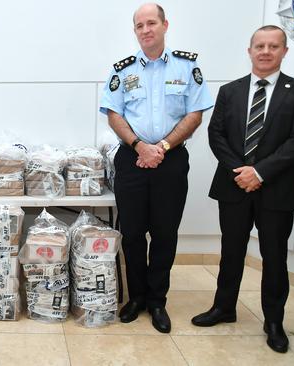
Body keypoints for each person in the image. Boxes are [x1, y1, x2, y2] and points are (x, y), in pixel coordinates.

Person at [192, 25, 294, 353]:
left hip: (277, 189)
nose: (265, 51)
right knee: (231, 251)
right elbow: (216, 134)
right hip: (234, 186)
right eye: (259, 45)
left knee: (274, 257)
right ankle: (224, 308)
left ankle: (273, 322)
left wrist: (259, 172)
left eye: (273, 46)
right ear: (249, 50)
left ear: (284, 51)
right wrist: (241, 172)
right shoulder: (230, 91)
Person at [99, 3, 213, 333]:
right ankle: (136, 298)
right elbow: (113, 113)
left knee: (164, 234)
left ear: (165, 25)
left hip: (171, 161)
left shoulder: (186, 66)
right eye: (139, 25)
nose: (146, 30)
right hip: (131, 159)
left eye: (152, 23)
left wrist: (161, 147)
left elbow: (195, 114)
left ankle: (157, 301)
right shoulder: (122, 70)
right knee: (133, 234)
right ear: (135, 31)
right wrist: (139, 146)